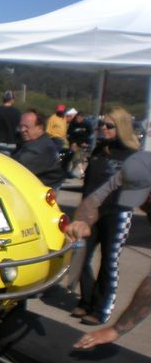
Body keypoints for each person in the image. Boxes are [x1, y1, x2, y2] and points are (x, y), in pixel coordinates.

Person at [66, 148, 151, 348]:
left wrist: (116, 330)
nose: (141, 205)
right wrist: (82, 222)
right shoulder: (136, 169)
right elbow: (95, 200)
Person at [70, 107, 142, 326]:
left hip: (116, 214)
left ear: (121, 127)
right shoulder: (99, 149)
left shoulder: (132, 155)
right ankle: (87, 299)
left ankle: (101, 309)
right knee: (79, 256)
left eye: (109, 126)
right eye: (101, 124)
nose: (103, 128)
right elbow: (89, 183)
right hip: (90, 214)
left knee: (109, 262)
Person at [14, 109, 66, 190]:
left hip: (39, 192)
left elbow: (16, 167)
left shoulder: (41, 148)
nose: (22, 130)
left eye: (26, 127)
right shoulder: (32, 142)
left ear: (40, 127)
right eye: (21, 126)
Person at [67, 110, 92, 178]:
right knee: (75, 158)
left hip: (82, 143)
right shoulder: (73, 124)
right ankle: (72, 172)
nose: (79, 119)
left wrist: (85, 142)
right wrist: (72, 142)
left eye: (80, 118)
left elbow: (89, 133)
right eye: (77, 118)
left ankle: (81, 172)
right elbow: (69, 134)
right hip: (73, 143)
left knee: (78, 158)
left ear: (83, 118)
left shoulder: (87, 124)